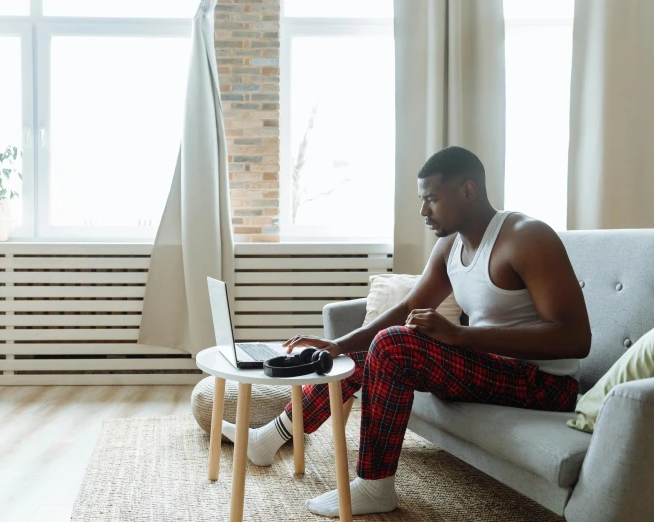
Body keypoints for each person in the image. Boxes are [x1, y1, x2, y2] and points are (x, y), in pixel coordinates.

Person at [221, 145, 592, 517]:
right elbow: (404, 309)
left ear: (468, 190)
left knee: (394, 345)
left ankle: (374, 485)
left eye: (431, 199)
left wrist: (460, 336)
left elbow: (575, 338)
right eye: (421, 199)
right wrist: (337, 344)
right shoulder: (451, 246)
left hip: (544, 385)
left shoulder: (526, 237)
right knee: (370, 351)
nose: (423, 211)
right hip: (492, 367)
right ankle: (270, 438)